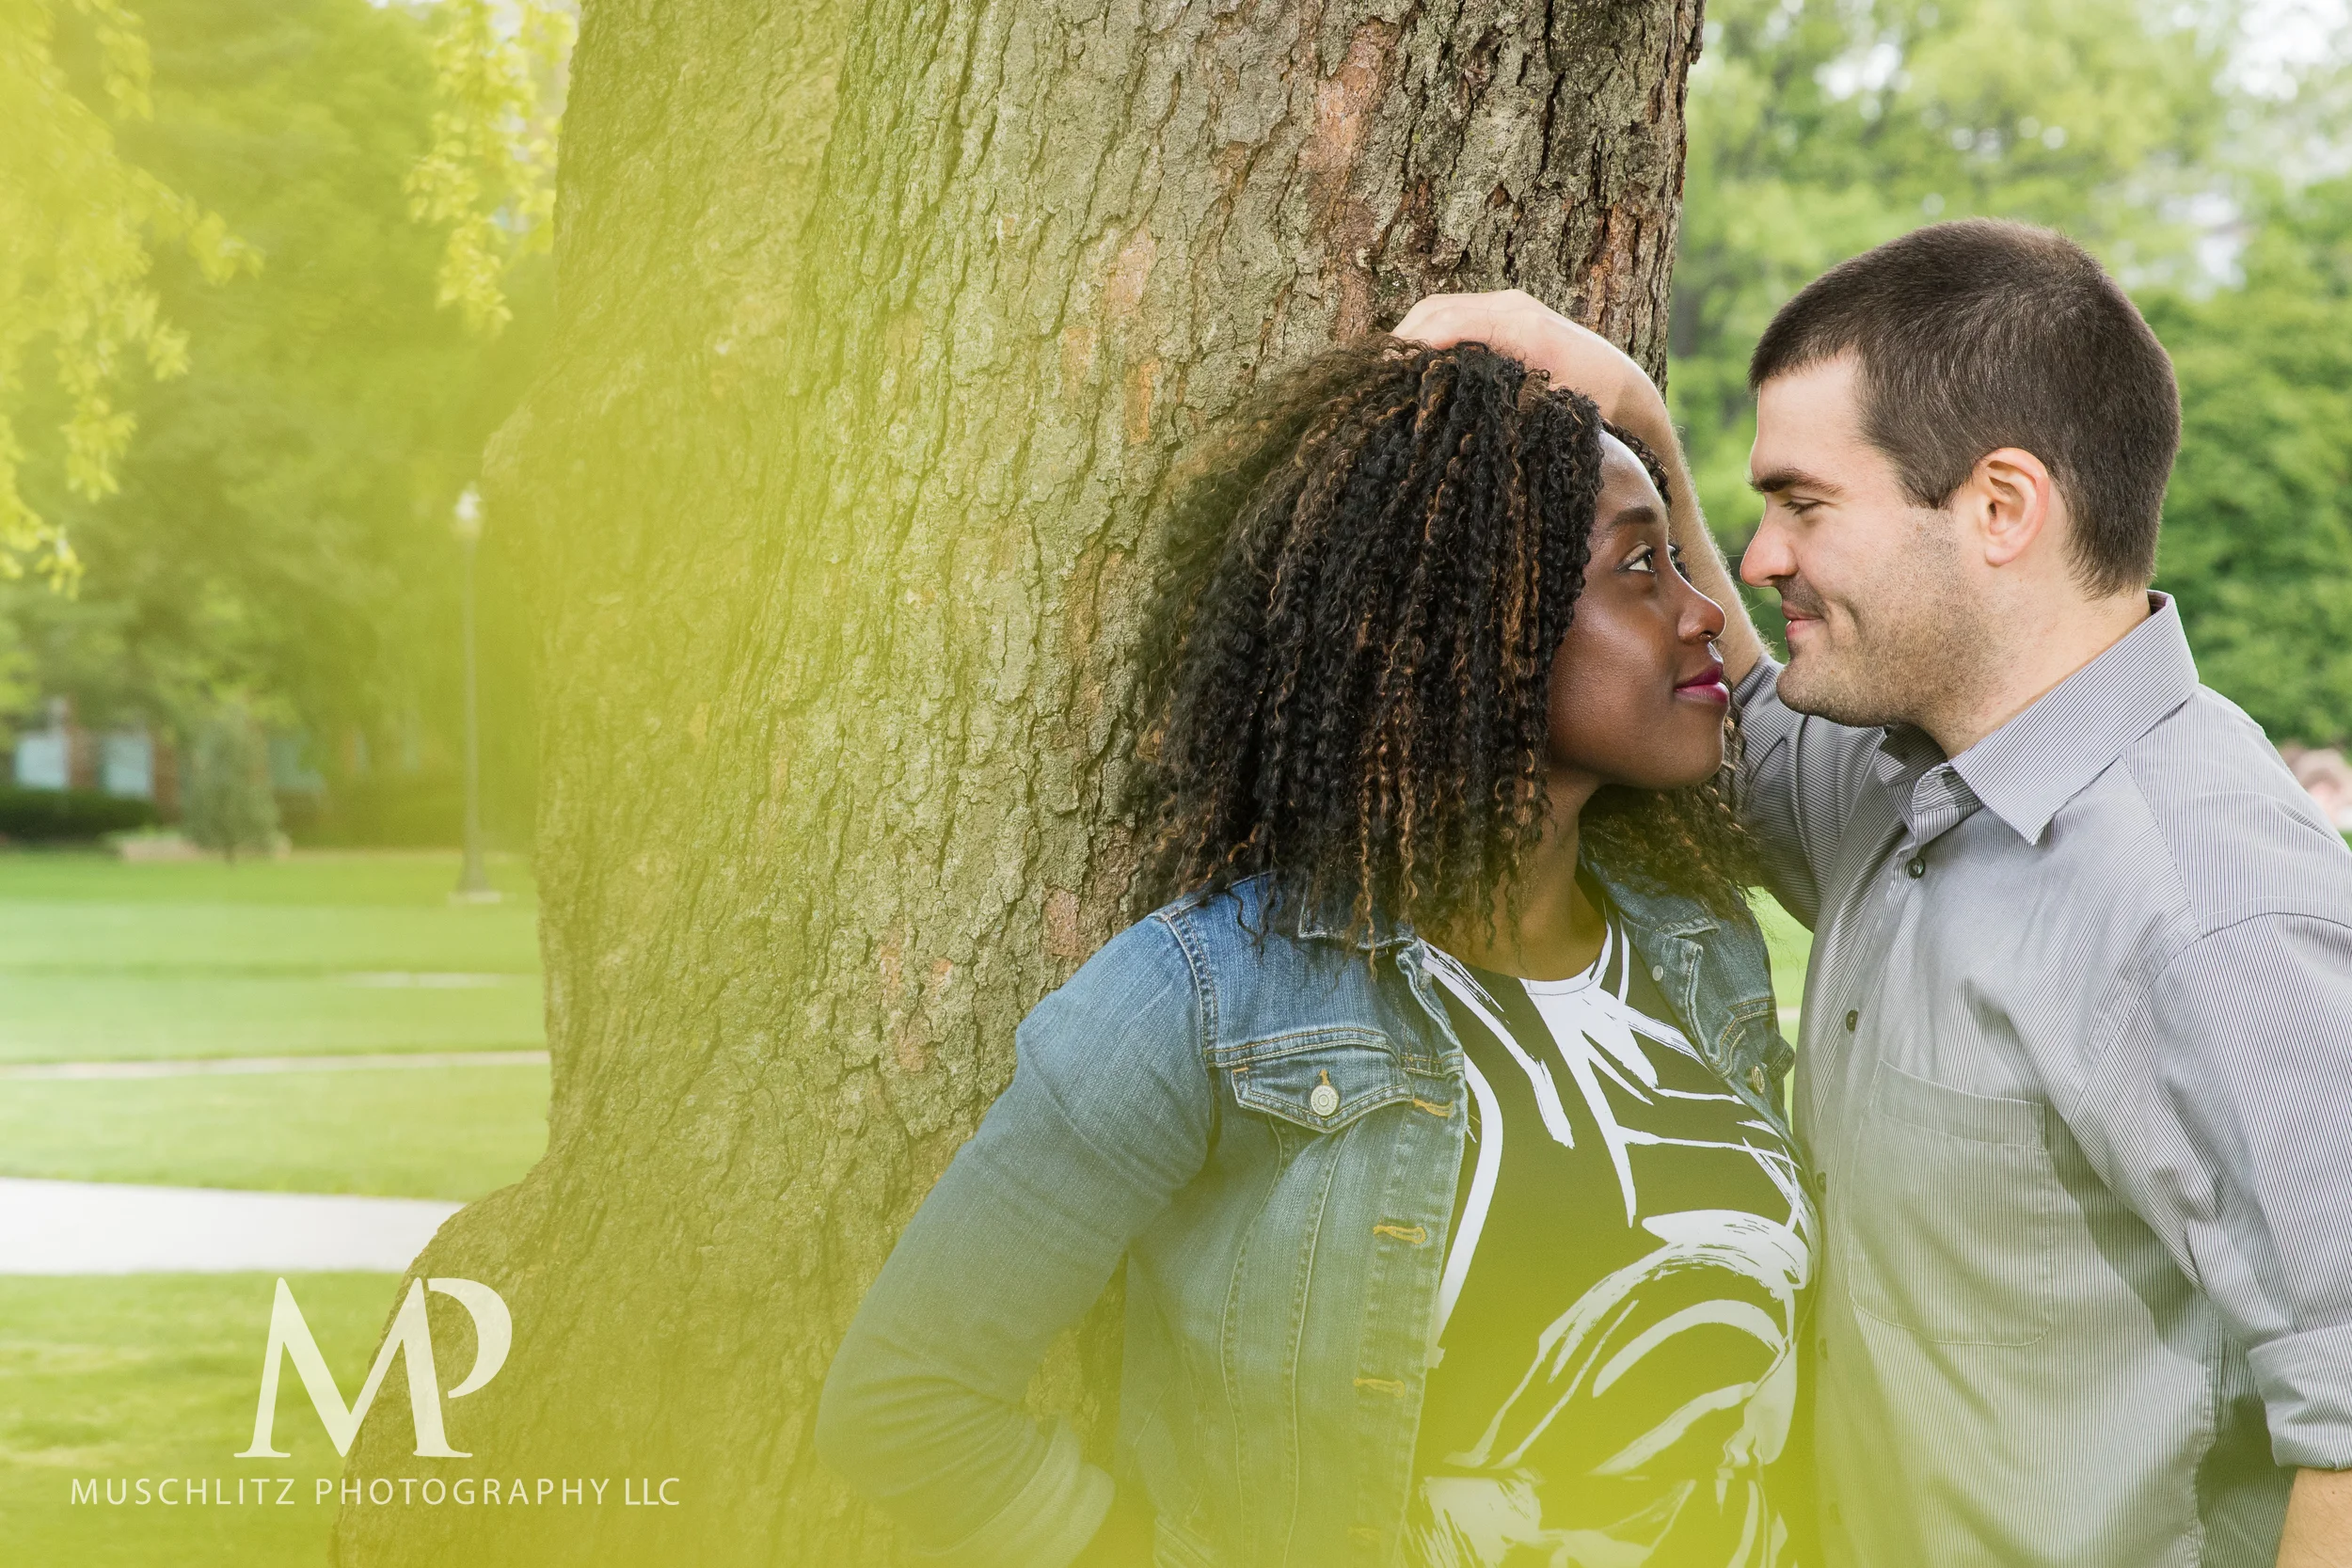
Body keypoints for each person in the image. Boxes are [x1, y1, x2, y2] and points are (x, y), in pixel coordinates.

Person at [1395, 218, 2352, 1567]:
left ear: (2001, 509)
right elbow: (1739, 735)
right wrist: (1637, 419)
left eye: (1805, 504)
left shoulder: (2218, 907)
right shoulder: (1907, 773)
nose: (1758, 556)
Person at [817, 339, 1816, 1566]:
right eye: (1640, 566)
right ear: (1467, 624)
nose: (1707, 613)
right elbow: (907, 1397)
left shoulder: (1701, 946)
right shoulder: (1205, 999)